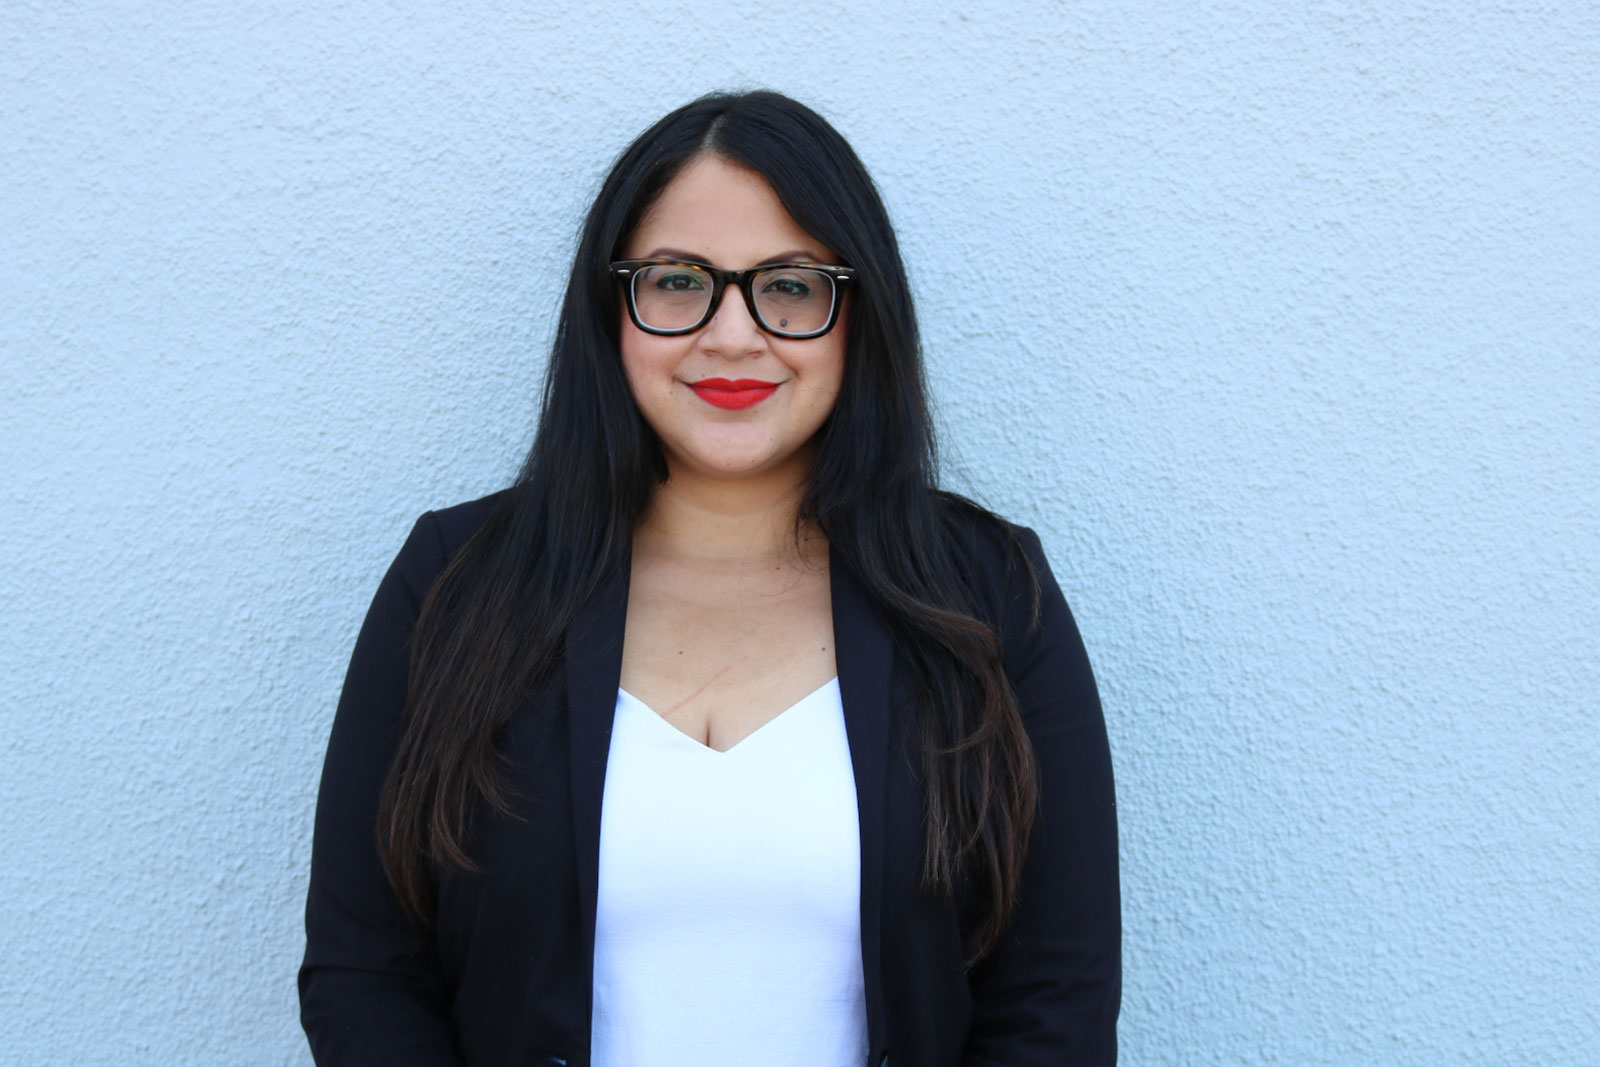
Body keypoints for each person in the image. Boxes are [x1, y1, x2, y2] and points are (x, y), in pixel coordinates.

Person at [299, 90, 1120, 1067]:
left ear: (860, 313)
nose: (733, 335)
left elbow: (1054, 997)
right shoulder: (454, 582)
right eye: (679, 280)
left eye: (791, 285)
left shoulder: (990, 596)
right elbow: (365, 969)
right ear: (613, 308)